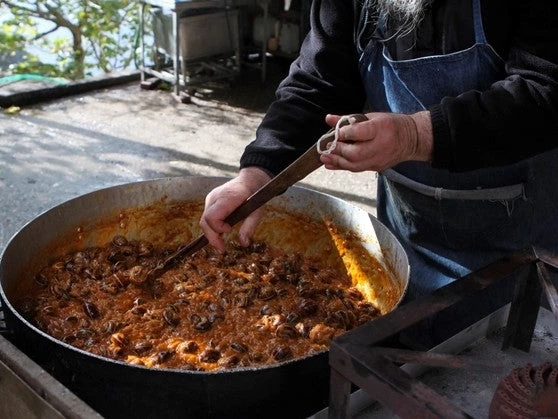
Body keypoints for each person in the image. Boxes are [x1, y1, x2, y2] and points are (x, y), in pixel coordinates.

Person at [198, 0, 558, 345]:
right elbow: (318, 81)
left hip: (524, 253)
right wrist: (257, 174)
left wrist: (415, 135)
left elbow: (545, 91)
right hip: (407, 240)